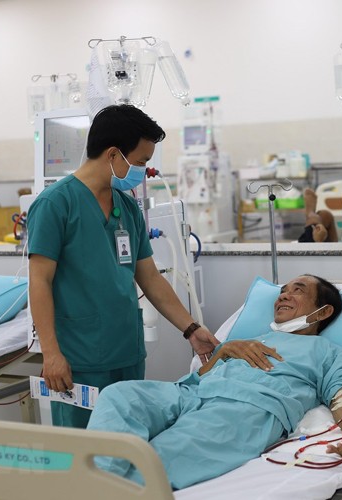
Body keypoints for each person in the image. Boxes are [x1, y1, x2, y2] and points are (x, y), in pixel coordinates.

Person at [87, 274, 342, 490]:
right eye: (282, 291)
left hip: (246, 408)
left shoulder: (330, 353)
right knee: (121, 396)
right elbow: (198, 378)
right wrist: (223, 352)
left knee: (158, 456)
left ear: (324, 311)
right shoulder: (250, 340)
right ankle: (90, 483)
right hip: (191, 393)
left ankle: (103, 493)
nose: (284, 295)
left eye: (298, 290)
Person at [27, 104, 219, 429]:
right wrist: (51, 354)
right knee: (83, 453)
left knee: (127, 444)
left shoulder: (127, 206)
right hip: (79, 358)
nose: (142, 171)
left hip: (127, 352)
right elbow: (39, 282)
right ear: (114, 154)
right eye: (141, 162)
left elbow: (150, 278)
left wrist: (191, 329)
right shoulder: (54, 204)